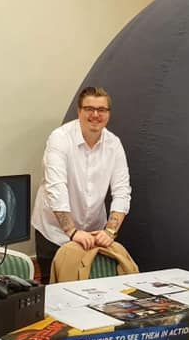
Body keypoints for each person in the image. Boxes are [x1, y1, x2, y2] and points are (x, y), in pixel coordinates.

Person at [30, 86, 131, 284]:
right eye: (89, 109)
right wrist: (72, 232)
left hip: (94, 233)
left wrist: (110, 231)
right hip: (54, 232)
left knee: (92, 289)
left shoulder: (114, 144)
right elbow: (56, 188)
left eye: (101, 110)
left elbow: (122, 190)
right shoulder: (60, 138)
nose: (95, 115)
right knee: (53, 290)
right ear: (79, 111)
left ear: (108, 114)